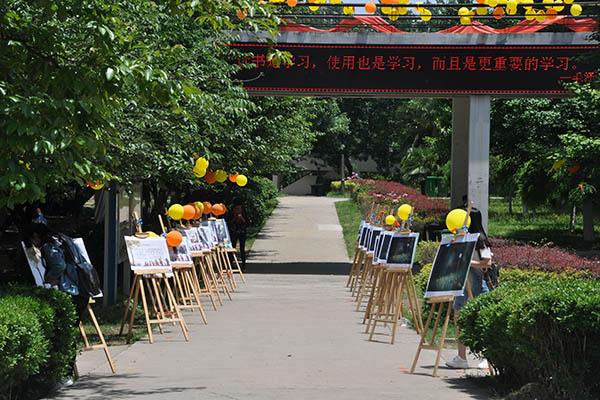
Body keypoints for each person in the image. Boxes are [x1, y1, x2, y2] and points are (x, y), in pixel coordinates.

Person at [23, 223, 90, 386]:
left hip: (71, 291)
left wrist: (47, 279)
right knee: (70, 330)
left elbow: (59, 266)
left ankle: (66, 373)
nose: (34, 245)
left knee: (65, 332)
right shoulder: (62, 239)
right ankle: (66, 372)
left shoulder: (49, 246)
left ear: (35, 236)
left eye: (32, 241)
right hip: (82, 290)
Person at [446, 207, 492, 370]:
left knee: (480, 320)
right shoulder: (463, 239)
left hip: (477, 284)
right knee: (459, 318)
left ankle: (486, 357)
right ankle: (461, 356)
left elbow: (487, 262)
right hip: (462, 284)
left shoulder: (480, 240)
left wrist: (467, 262)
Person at [227, 199, 247, 271]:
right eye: (236, 208)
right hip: (233, 231)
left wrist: (241, 218)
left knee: (242, 248)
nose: (238, 209)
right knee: (232, 248)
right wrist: (235, 218)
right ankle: (230, 264)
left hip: (242, 231)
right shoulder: (231, 212)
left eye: (239, 208)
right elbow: (228, 222)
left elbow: (247, 222)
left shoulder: (243, 211)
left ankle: (243, 265)